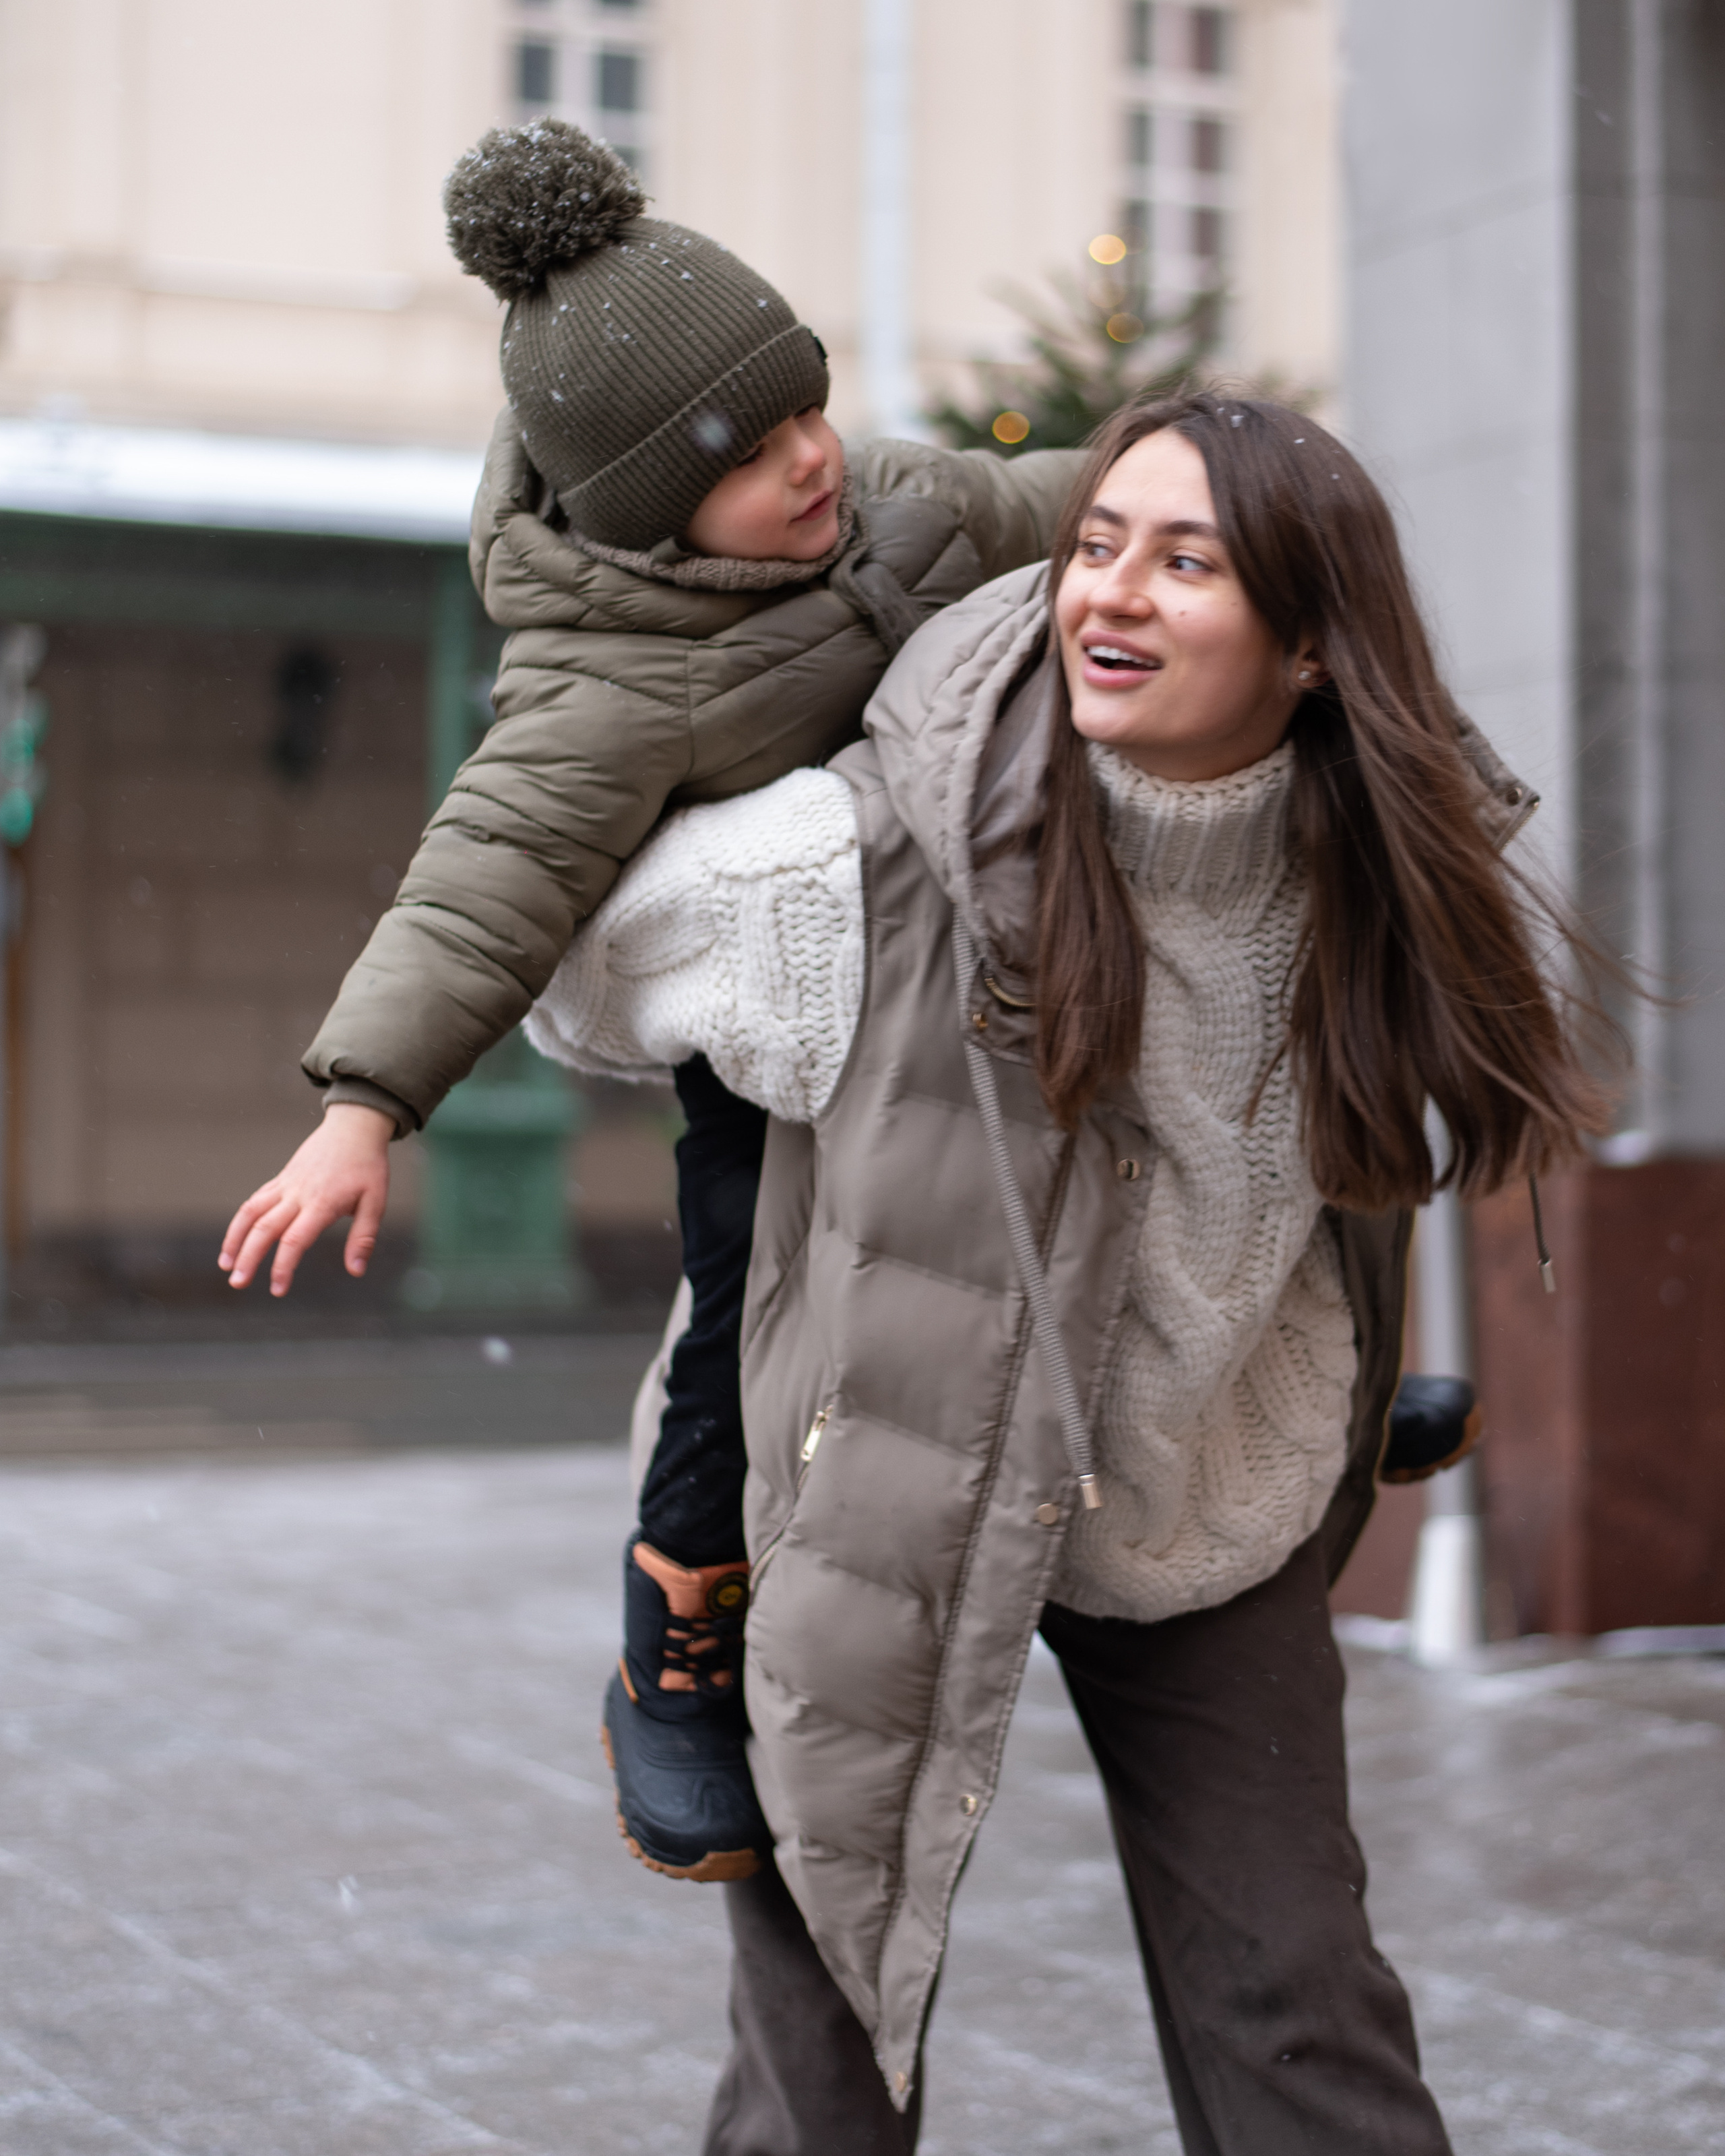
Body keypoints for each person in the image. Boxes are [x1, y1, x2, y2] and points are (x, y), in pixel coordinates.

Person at [524, 391, 1610, 2154]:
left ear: (1312, 645)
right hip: (883, 1487)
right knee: (825, 2065)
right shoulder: (877, 852)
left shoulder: (1371, 874)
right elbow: (578, 985)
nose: (1111, 589)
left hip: (1206, 1490)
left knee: (1298, 2007)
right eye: (1097, 543)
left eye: (1187, 562)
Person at [216, 119, 1082, 1885]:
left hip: (972, 988)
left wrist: (1201, 475)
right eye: (750, 456)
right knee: (740, 1332)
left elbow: (1061, 498)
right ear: (643, 507)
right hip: (775, 1064)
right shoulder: (602, 682)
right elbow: (484, 880)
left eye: (806, 406)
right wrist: (361, 1113)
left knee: (1142, 1139)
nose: (810, 459)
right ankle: (674, 1651)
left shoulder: (887, 503)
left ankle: (1287, 1380)